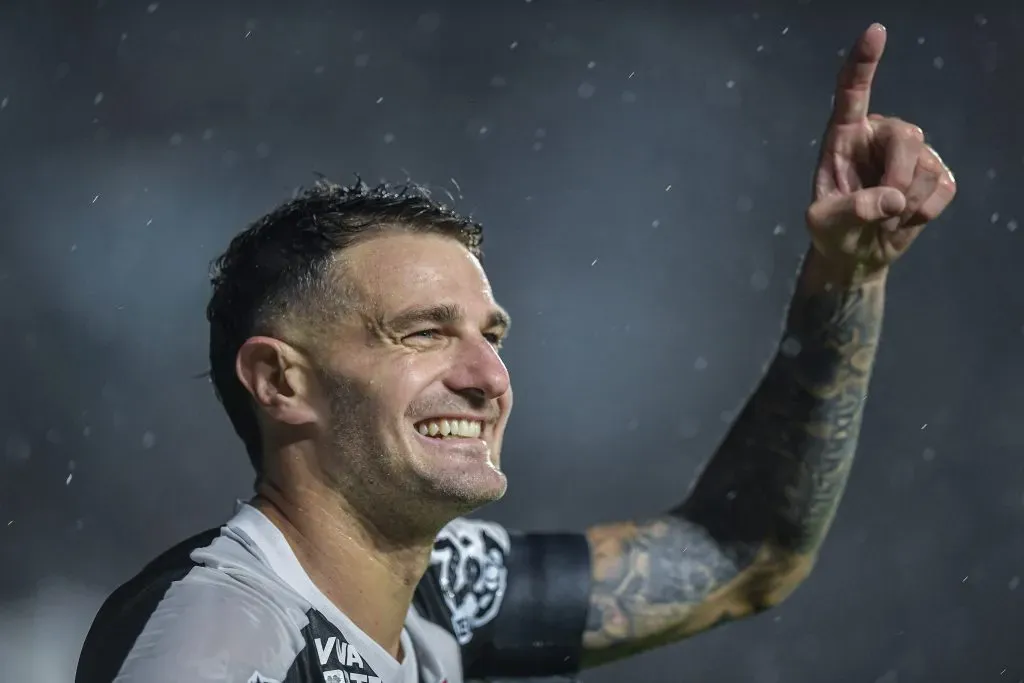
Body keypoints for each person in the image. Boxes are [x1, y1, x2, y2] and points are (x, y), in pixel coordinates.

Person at [76, 23, 955, 683]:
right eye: (422, 331)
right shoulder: (217, 635)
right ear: (280, 381)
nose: (487, 377)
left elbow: (742, 553)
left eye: (490, 336)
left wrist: (847, 275)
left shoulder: (444, 588)